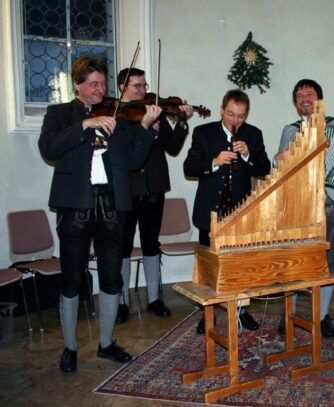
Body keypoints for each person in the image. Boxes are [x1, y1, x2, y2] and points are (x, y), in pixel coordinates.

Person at [38, 56, 161, 374]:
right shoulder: (59, 114)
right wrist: (85, 125)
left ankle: (106, 343)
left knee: (110, 276)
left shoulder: (117, 115)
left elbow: (133, 161)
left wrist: (145, 128)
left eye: (103, 84)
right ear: (76, 85)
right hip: (75, 204)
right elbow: (49, 148)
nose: (99, 89)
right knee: (71, 278)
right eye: (93, 83)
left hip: (111, 204)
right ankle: (70, 347)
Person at [276, 79, 334, 338]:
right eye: (300, 95)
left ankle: (322, 316)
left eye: (310, 94)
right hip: (298, 206)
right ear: (296, 103)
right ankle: (289, 315)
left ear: (319, 99)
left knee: (329, 262)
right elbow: (278, 169)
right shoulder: (290, 130)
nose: (305, 98)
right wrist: (278, 159)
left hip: (332, 203)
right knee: (294, 262)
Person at [183, 89, 271, 334]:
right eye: (231, 114)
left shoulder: (253, 134)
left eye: (241, 116)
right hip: (209, 211)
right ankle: (208, 314)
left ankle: (241, 310)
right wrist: (213, 162)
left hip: (239, 214)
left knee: (238, 267)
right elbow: (189, 168)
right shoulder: (203, 132)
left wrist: (248, 155)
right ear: (222, 109)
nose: (235, 120)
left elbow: (264, 168)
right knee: (209, 269)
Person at [115, 68, 194, 323]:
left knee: (151, 244)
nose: (143, 90)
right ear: (122, 88)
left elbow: (173, 147)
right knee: (123, 246)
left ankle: (154, 298)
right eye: (137, 86)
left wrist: (182, 122)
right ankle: (121, 302)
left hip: (154, 188)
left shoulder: (154, 110)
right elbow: (123, 150)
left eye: (144, 85)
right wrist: (145, 127)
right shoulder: (117, 115)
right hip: (127, 190)